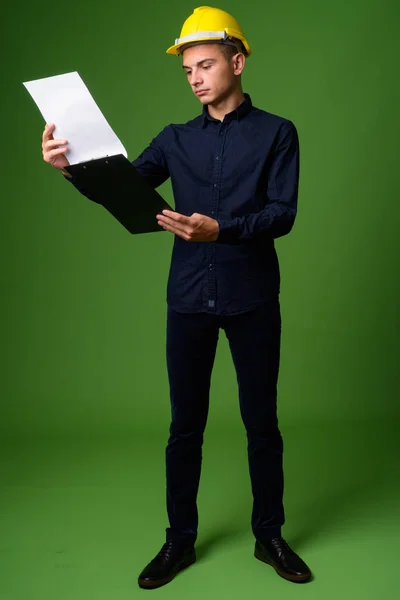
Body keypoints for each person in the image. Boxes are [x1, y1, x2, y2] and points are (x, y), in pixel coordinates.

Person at [42, 5, 312, 589]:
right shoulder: (174, 139)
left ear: (237, 62)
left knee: (261, 422)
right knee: (183, 427)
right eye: (188, 68)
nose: (194, 77)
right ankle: (179, 542)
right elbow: (128, 190)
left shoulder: (278, 132)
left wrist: (223, 229)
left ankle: (270, 536)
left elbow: (282, 214)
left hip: (253, 298)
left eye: (205, 64)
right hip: (188, 299)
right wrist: (70, 170)